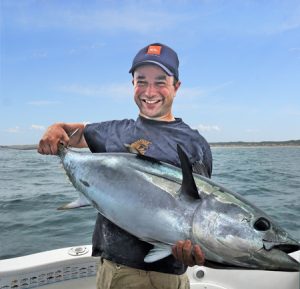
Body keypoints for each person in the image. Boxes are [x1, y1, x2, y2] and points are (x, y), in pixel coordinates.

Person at [38, 43, 213, 289]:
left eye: (160, 81)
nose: (150, 91)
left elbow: (200, 215)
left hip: (166, 276)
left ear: (177, 86)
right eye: (141, 81)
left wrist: (198, 249)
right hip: (114, 270)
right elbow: (69, 134)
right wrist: (55, 128)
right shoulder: (113, 131)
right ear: (132, 84)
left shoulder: (194, 144)